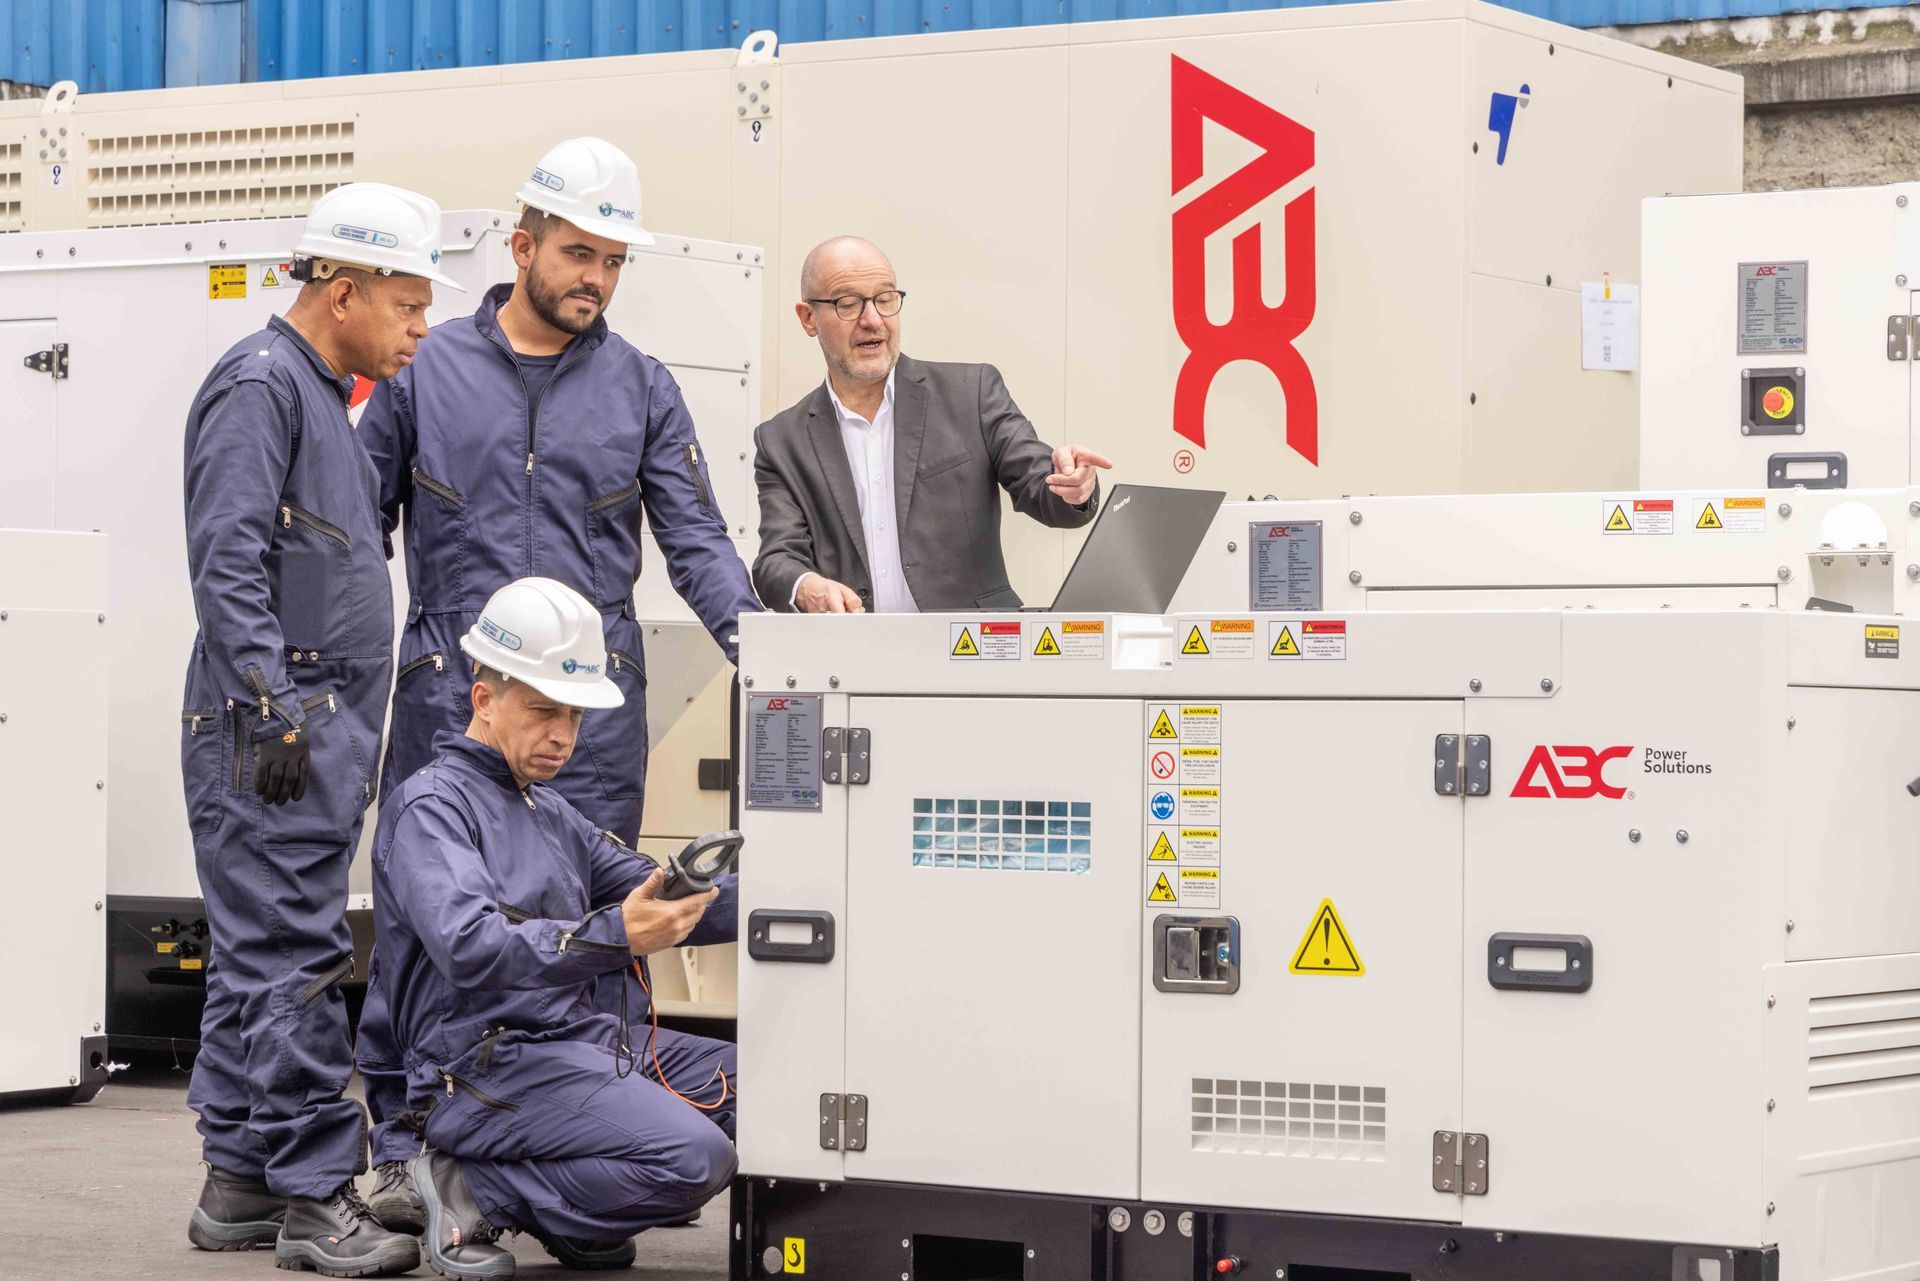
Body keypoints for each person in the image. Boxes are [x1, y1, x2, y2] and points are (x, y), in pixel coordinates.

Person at [354, 136, 758, 1230]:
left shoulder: (642, 389)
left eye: (616, 261)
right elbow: (354, 536)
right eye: (581, 253)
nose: (598, 278)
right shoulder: (423, 372)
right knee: (422, 941)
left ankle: (576, 1155)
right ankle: (404, 1161)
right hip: (455, 699)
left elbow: (701, 547)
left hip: (590, 715)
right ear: (522, 244)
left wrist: (781, 670)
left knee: (599, 924)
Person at [178, 182, 464, 1276]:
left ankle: (240, 1184)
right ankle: (312, 1200)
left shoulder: (316, 393)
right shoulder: (261, 387)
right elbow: (227, 563)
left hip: (307, 730)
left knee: (259, 954)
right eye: (406, 303)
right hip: (274, 734)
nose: (421, 329)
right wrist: (279, 713)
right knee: (293, 959)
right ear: (342, 291)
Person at [373, 577, 738, 1280]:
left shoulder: (548, 810)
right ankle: (473, 1189)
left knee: (775, 1088)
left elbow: (653, 893)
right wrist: (613, 935)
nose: (563, 736)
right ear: (485, 698)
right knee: (697, 1156)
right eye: (544, 711)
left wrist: (805, 891)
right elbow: (470, 947)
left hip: (576, 1046)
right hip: (480, 1068)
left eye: (573, 716)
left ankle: (566, 1208)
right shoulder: (431, 809)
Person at [752, 235, 1112, 613]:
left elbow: (1038, 483)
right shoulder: (781, 440)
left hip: (970, 656)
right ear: (809, 318)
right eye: (848, 304)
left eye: (885, 299)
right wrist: (805, 584)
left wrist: (1072, 485)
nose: (872, 320)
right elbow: (776, 560)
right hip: (855, 658)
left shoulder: (971, 393)